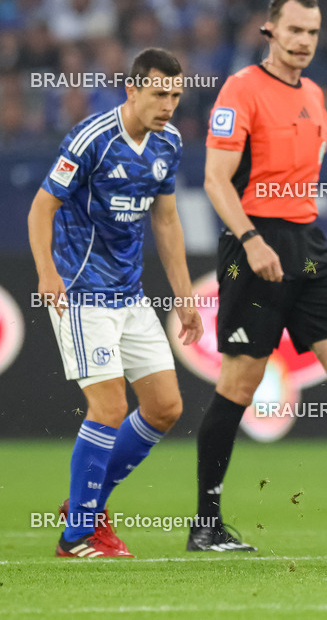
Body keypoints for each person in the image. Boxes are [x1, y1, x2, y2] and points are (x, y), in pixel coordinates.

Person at [192, 0, 327, 551]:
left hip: (307, 243)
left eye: (312, 32)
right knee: (239, 382)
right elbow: (215, 179)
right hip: (253, 240)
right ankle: (205, 523)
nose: (304, 41)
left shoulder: (314, 94)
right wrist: (253, 240)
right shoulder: (241, 90)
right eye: (294, 30)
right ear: (270, 31)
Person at [27, 48, 202, 558]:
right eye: (158, 92)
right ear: (133, 89)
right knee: (108, 406)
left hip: (131, 295)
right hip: (83, 294)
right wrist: (47, 273)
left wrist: (185, 296)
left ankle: (86, 505)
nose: (168, 104)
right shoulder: (93, 139)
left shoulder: (169, 142)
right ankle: (78, 534)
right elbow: (43, 207)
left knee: (166, 407)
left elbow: (166, 221)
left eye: (175, 94)